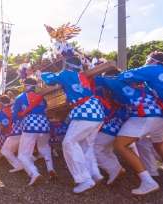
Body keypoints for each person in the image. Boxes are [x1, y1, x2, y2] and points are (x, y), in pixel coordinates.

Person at [41, 56, 105, 193]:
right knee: (85, 145)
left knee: (68, 143)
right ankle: (94, 173)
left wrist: (42, 73)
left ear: (66, 65)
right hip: (97, 111)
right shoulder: (81, 75)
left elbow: (49, 80)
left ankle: (84, 180)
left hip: (84, 112)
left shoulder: (65, 73)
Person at [113, 51, 163, 195]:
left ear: (153, 61)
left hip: (158, 114)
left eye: (148, 60)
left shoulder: (151, 69)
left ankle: (148, 182)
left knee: (120, 144)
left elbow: (123, 76)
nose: (146, 62)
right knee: (160, 144)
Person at [13, 78, 55, 186]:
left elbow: (15, 116)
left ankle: (34, 173)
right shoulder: (42, 98)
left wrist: (18, 122)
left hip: (30, 125)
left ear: (26, 86)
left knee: (23, 154)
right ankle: (50, 169)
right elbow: (45, 109)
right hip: (44, 124)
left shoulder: (20, 98)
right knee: (44, 147)